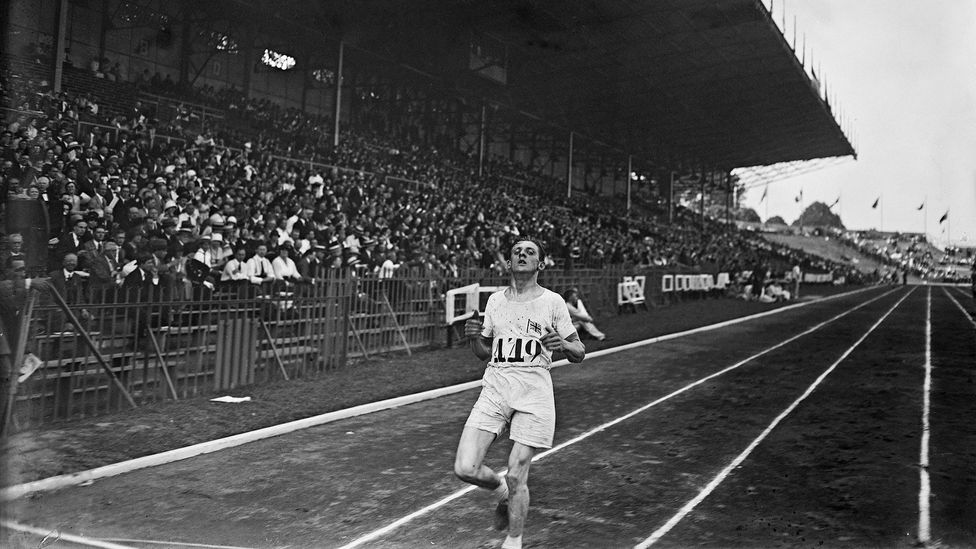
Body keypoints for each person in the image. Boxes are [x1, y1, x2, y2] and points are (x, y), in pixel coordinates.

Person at [454, 239, 585, 549]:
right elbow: (484, 352)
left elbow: (579, 350)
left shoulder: (552, 302)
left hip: (534, 390)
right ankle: (500, 490)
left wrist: (563, 346)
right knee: (465, 467)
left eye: (530, 252)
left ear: (540, 265)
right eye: (516, 251)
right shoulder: (496, 302)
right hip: (496, 386)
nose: (522, 254)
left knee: (517, 475)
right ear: (508, 263)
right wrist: (473, 339)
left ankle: (514, 541)